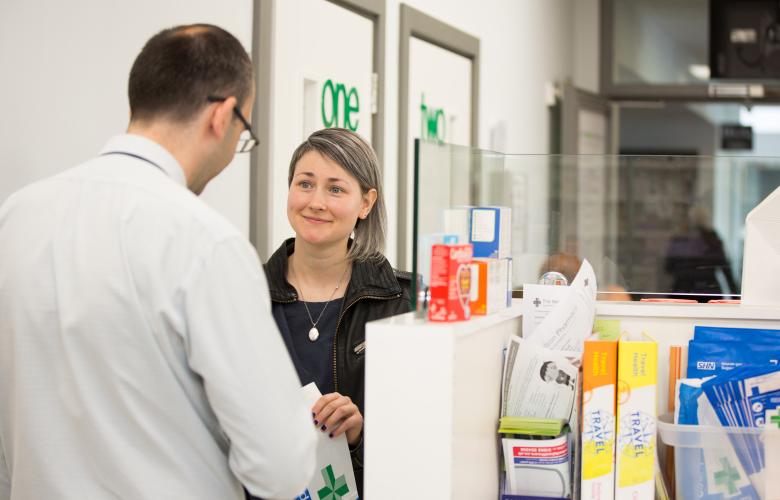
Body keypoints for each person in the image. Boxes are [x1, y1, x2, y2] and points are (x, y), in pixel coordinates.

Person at [0, 24, 316, 500]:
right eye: (243, 133)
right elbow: (282, 468)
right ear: (222, 115)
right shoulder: (205, 244)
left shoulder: (17, 216)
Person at [262, 128, 412, 496]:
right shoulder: (247, 296)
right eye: (305, 184)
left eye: (335, 189)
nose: (316, 202)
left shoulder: (401, 303)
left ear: (366, 202)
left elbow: (420, 434)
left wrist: (360, 434)